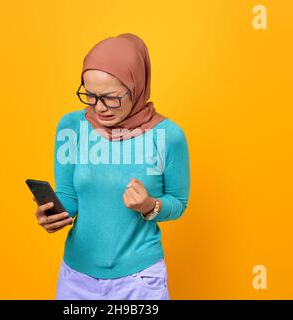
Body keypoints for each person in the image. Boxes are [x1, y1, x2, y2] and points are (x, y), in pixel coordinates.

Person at [33, 33, 190, 300]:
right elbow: (70, 196)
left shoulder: (168, 135)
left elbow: (178, 202)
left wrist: (149, 206)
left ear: (136, 86)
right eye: (91, 96)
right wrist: (53, 214)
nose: (100, 107)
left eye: (111, 98)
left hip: (140, 281)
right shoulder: (72, 127)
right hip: (77, 278)